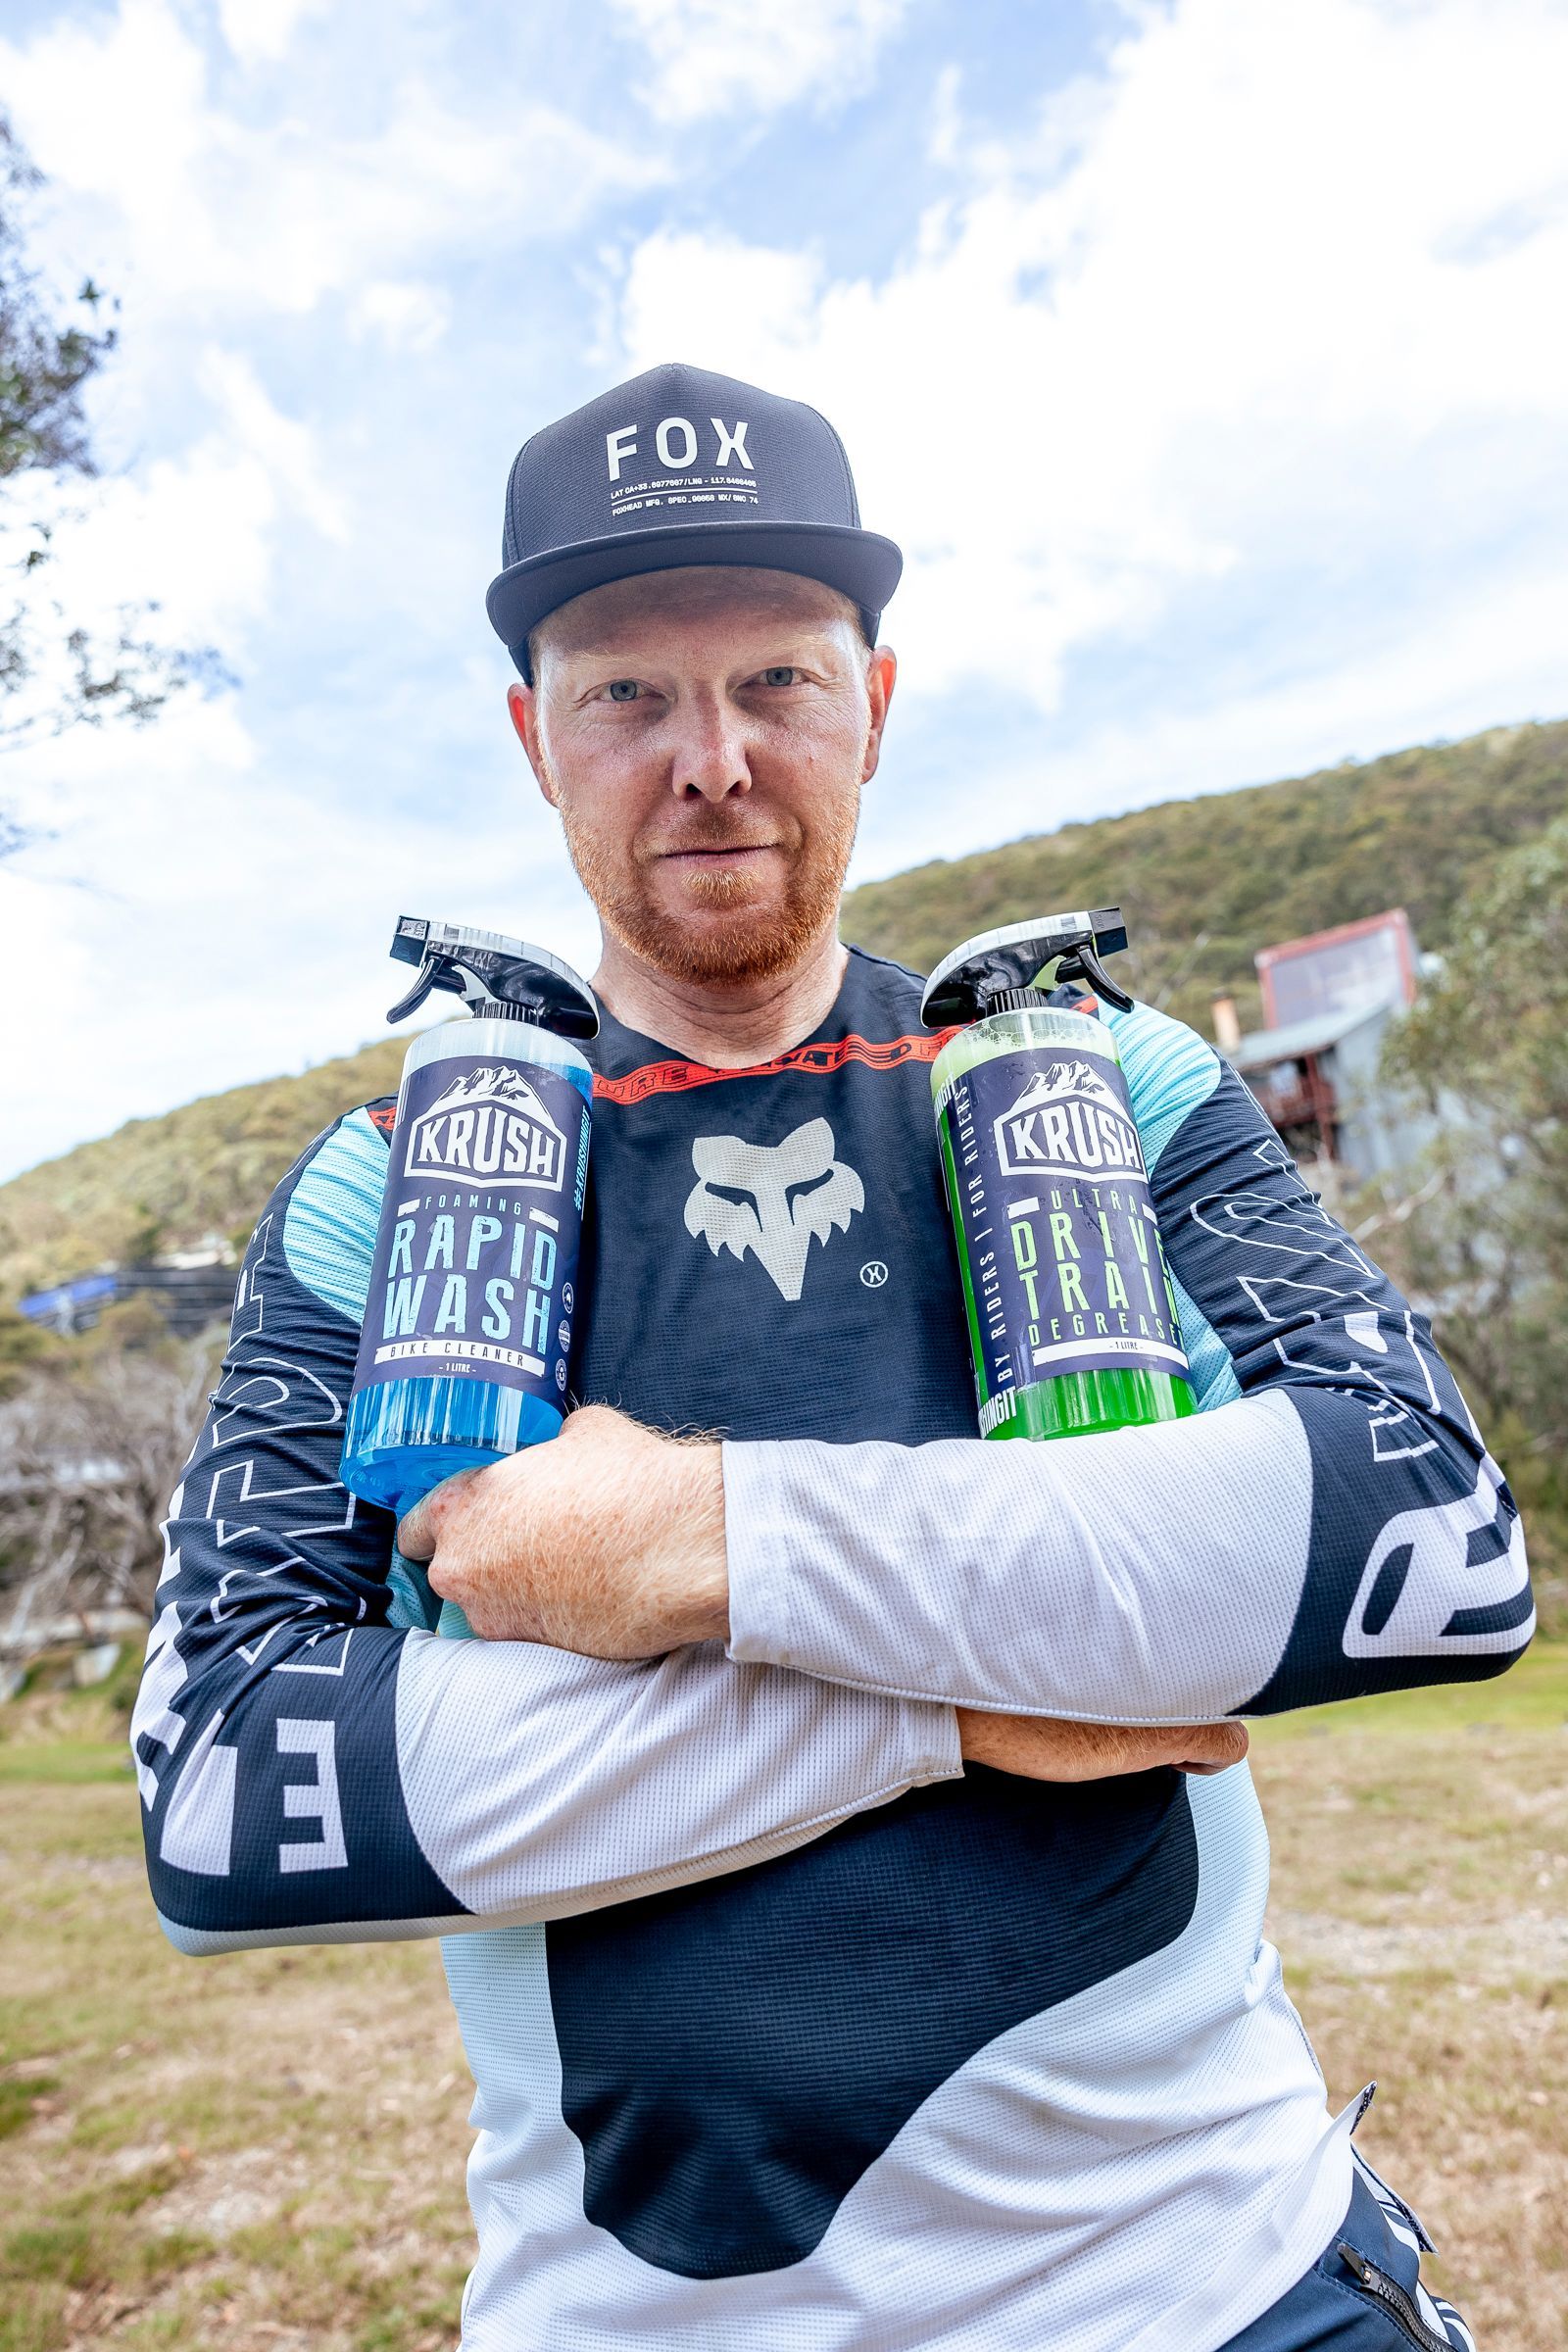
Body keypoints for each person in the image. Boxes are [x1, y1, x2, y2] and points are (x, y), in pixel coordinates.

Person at [132, 364, 1529, 2351]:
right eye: (626, 692)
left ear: (872, 702)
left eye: (776, 680)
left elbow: (1430, 1544)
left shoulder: (1093, 1083)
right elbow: (229, 1795)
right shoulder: (392, 1186)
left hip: (1219, 2283)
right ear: (534, 740)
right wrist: (946, 1718)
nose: (708, 757)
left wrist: (699, 1542)